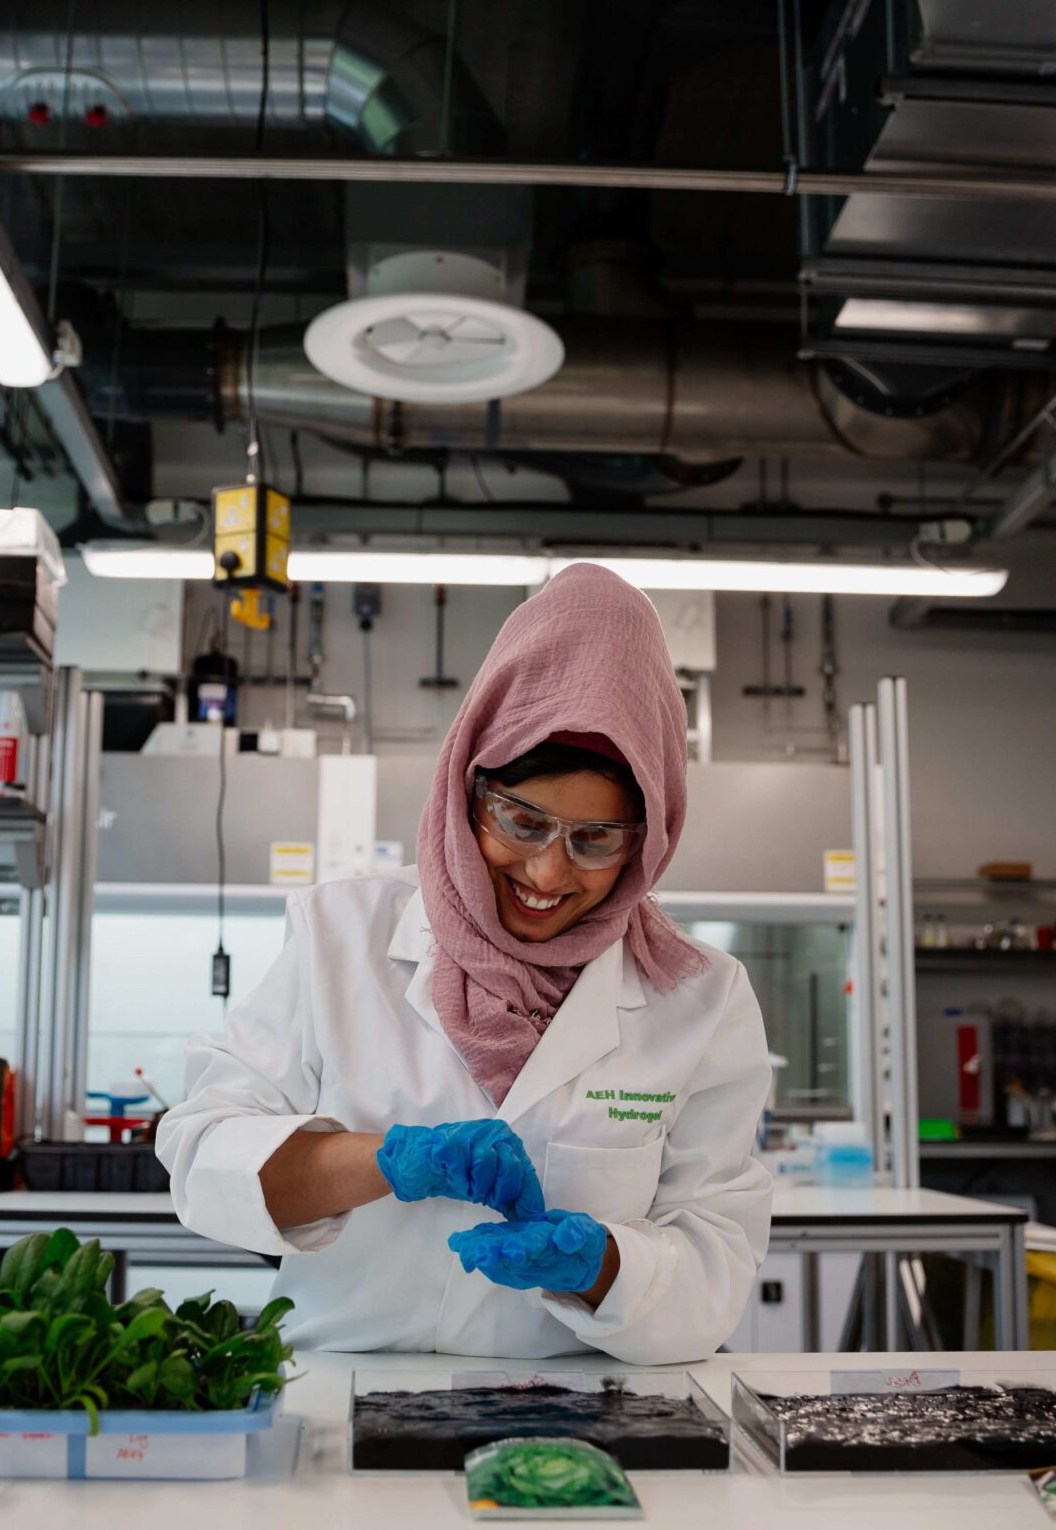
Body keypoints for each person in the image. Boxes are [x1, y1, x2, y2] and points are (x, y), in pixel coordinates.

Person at [158, 564, 774, 1362]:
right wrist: (380, 1160)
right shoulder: (340, 934)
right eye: (521, 821)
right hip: (342, 1395)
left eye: (595, 841)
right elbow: (203, 1155)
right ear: (467, 786)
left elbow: (716, 1264)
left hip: (580, 1420)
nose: (548, 875)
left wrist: (601, 1267)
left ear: (648, 840)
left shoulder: (700, 1000)